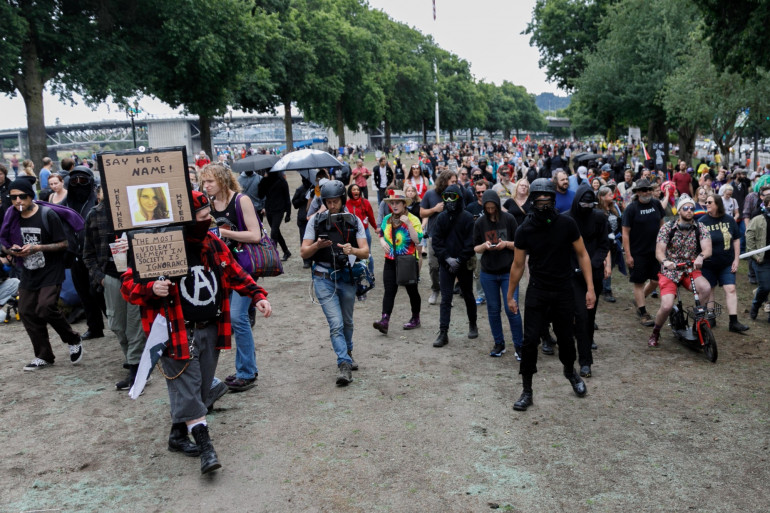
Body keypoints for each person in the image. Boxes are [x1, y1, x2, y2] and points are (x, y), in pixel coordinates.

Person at [122, 191, 272, 474]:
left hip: (211, 328)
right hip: (176, 332)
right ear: (186, 219)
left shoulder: (212, 242)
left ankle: (177, 435)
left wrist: (257, 295)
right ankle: (206, 448)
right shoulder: (158, 245)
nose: (209, 220)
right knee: (190, 391)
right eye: (203, 217)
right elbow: (128, 286)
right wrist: (151, 288)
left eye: (209, 215)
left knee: (200, 389)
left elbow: (234, 271)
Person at [507, 178, 594, 411]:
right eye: (540, 200)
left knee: (566, 338)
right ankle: (527, 390)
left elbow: (582, 254)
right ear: (532, 201)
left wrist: (590, 288)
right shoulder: (524, 229)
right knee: (529, 341)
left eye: (548, 200)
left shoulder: (567, 224)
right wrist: (510, 295)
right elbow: (517, 265)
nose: (544, 205)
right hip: (538, 290)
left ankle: (570, 372)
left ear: (554, 200)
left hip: (564, 289)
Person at [1, 179, 83, 370]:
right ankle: (43, 355)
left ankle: (73, 339)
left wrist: (37, 247)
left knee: (45, 307)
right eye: (13, 197)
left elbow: (63, 244)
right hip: (28, 270)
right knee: (26, 311)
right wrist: (12, 250)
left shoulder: (48, 214)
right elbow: (4, 243)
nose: (18, 201)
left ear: (31, 196)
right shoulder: (11, 216)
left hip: (51, 269)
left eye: (22, 196)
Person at [200, 163, 263, 392]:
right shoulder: (207, 204)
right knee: (225, 319)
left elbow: (255, 235)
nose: (206, 186)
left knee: (237, 317)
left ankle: (247, 372)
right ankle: (242, 368)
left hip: (242, 268)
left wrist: (223, 232)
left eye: (210, 181)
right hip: (217, 270)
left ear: (223, 180)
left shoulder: (240, 201)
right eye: (204, 181)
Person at [300, 180, 369, 386]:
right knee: (336, 323)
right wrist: (317, 245)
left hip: (346, 276)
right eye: (328, 202)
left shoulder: (354, 221)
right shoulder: (315, 221)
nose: (332, 205)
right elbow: (304, 252)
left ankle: (348, 352)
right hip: (323, 278)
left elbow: (365, 251)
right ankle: (344, 364)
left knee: (347, 321)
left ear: (342, 200)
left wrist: (352, 250)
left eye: (335, 201)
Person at [82, 198, 149, 389]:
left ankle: (136, 370)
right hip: (111, 277)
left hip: (138, 275)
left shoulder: (141, 208)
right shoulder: (96, 214)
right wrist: (101, 278)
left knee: (135, 326)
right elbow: (88, 253)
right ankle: (133, 362)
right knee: (117, 325)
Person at [648, 194, 712, 347]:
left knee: (705, 288)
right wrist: (666, 261)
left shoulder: (700, 227)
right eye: (686, 208)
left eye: (692, 208)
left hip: (690, 268)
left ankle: (697, 325)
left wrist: (701, 257)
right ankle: (655, 332)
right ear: (679, 210)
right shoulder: (667, 228)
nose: (689, 210)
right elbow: (659, 252)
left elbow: (707, 249)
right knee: (667, 306)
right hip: (670, 270)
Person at [567, 185, 610, 378]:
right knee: (581, 315)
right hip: (573, 274)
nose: (586, 208)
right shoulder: (567, 219)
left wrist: (592, 265)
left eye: (589, 205)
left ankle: (586, 343)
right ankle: (585, 361)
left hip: (594, 273)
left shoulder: (599, 218)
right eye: (583, 205)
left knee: (590, 315)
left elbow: (604, 244)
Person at [473, 190, 521, 358]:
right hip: (489, 273)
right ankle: (499, 343)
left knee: (512, 308)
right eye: (488, 208)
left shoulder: (509, 219)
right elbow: (475, 247)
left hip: (508, 272)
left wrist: (506, 244)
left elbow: (520, 244)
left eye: (493, 207)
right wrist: (484, 246)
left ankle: (519, 345)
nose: (491, 211)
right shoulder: (480, 222)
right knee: (493, 309)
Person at [430, 184, 478, 347]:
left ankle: (473, 324)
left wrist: (459, 260)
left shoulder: (467, 217)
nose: (450, 200)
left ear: (459, 198)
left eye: (453, 197)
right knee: (446, 299)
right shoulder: (441, 218)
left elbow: (470, 242)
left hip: (463, 264)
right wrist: (447, 259)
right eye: (446, 197)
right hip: (446, 264)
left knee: (468, 295)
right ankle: (443, 332)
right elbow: (437, 242)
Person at [64, 166, 105, 341]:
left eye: (83, 180)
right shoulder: (65, 204)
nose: (79, 184)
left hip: (95, 255)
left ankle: (114, 322)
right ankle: (94, 327)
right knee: (84, 293)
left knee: (98, 291)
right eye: (74, 181)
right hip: (75, 254)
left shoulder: (96, 203)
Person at [373, 190, 422, 333]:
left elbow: (417, 240)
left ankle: (416, 318)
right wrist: (382, 242)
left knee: (412, 291)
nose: (394, 206)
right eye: (392, 203)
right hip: (390, 260)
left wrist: (409, 224)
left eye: (397, 203)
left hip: (407, 261)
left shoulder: (413, 219)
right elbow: (381, 234)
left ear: (404, 204)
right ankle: (384, 320)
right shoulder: (387, 218)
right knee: (389, 290)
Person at [700, 193, 748, 332]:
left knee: (731, 289)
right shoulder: (702, 222)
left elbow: (736, 239)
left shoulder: (729, 220)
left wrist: (736, 259)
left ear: (718, 204)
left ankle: (734, 322)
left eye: (710, 202)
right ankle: (711, 317)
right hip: (708, 264)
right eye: (706, 202)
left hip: (727, 263)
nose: (707, 204)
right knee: (710, 289)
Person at [622, 178, 665, 327]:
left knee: (656, 281)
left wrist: (665, 243)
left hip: (655, 251)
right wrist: (628, 255)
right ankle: (643, 312)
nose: (646, 192)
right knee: (639, 282)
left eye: (648, 189)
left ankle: (639, 300)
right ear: (638, 192)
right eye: (643, 190)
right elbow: (625, 233)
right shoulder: (631, 209)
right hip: (637, 252)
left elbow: (662, 224)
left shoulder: (656, 204)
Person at [420, 171, 457, 306]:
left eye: (455, 181)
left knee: (449, 266)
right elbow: (422, 213)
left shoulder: (455, 194)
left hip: (451, 236)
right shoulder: (430, 194)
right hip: (434, 236)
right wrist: (434, 209)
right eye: (452, 181)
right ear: (444, 181)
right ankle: (436, 289)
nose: (455, 184)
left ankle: (447, 295)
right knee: (434, 266)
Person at [346, 183, 377, 288]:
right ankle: (356, 275)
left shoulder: (365, 202)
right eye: (354, 189)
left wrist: (375, 227)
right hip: (351, 232)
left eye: (358, 190)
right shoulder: (346, 204)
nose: (356, 191)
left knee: (367, 254)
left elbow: (371, 216)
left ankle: (371, 273)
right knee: (353, 254)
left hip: (365, 231)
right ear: (350, 192)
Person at [746, 195, 770, 323]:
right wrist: (755, 256)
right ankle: (756, 305)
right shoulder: (757, 220)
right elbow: (749, 239)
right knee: (765, 287)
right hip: (762, 260)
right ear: (766, 205)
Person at [258, 171, 292, 261]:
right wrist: (261, 184)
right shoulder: (265, 181)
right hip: (269, 209)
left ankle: (273, 255)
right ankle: (286, 251)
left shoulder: (281, 181)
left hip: (279, 210)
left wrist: (288, 213)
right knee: (276, 231)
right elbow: (261, 195)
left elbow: (287, 197)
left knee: (274, 232)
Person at [597, 186, 623, 303]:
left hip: (614, 242)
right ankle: (606, 290)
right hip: (602, 242)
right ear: (602, 197)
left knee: (611, 265)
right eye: (609, 194)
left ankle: (603, 286)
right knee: (605, 264)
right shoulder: (597, 210)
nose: (612, 196)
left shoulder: (614, 208)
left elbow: (619, 221)